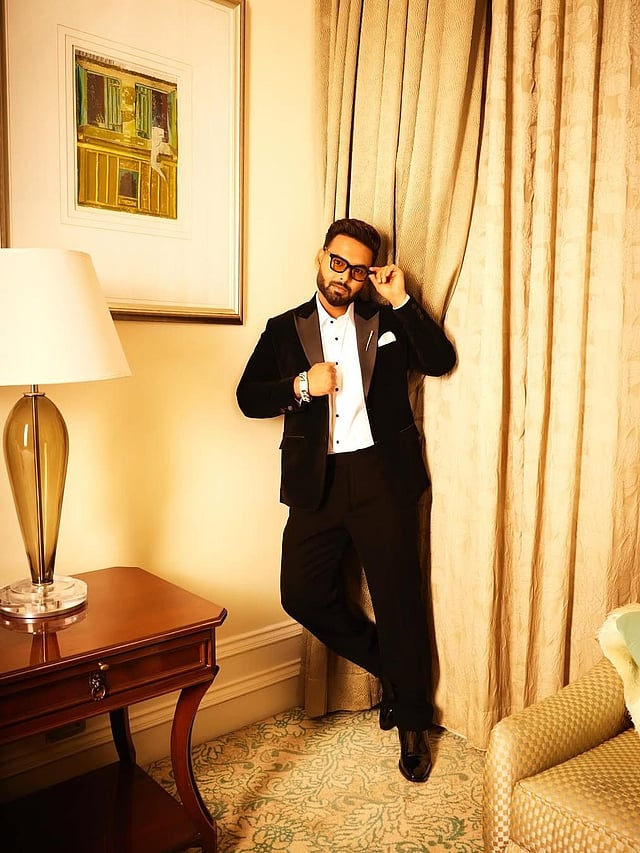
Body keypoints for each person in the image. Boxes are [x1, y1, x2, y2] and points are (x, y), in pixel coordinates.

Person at [236, 218, 456, 782]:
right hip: (318, 482)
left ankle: (412, 721)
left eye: (358, 270)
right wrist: (300, 386)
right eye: (338, 263)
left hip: (382, 477)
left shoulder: (388, 319)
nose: (345, 277)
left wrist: (401, 299)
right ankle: (392, 668)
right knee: (302, 593)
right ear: (321, 257)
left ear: (367, 275)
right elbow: (247, 397)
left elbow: (439, 360)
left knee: (399, 599)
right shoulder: (284, 329)